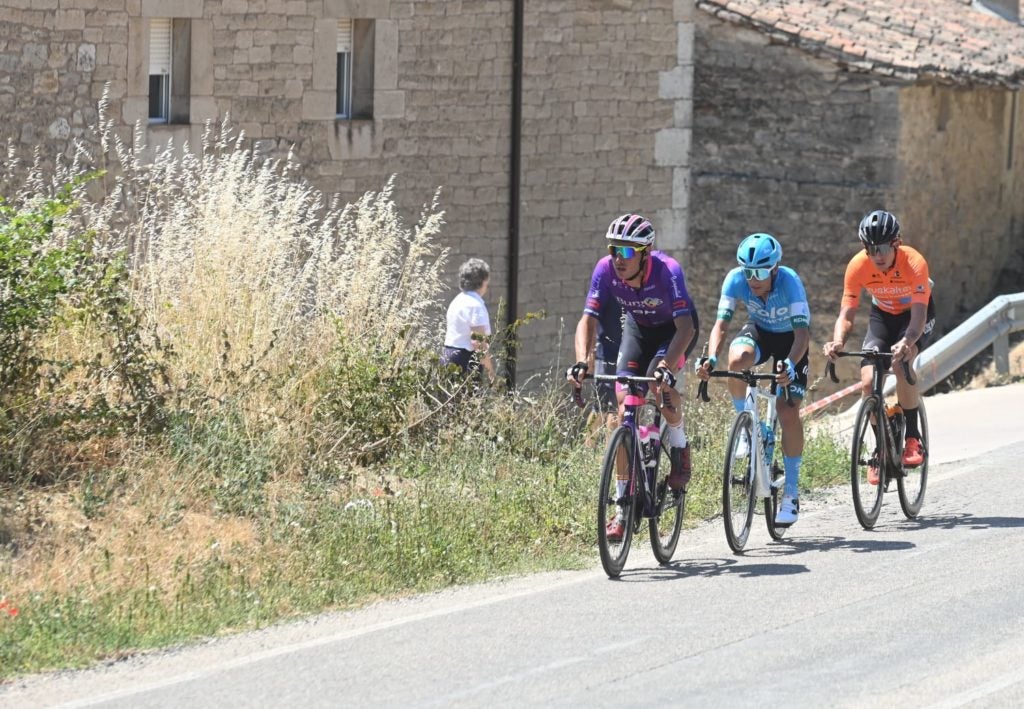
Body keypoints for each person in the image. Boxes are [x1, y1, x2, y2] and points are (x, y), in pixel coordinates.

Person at [567, 213, 700, 541]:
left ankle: (680, 449)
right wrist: (582, 361)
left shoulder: (668, 271)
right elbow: (588, 319)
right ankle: (623, 508)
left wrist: (667, 366)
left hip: (674, 332)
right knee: (625, 404)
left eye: (626, 252)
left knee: (658, 382)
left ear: (645, 252)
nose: (618, 258)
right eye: (614, 250)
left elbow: (686, 327)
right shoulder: (605, 269)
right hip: (638, 329)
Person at [695, 233, 811, 526]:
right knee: (736, 361)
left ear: (774, 269)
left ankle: (792, 493)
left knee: (787, 411)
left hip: (791, 343)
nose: (752, 279)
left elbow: (802, 335)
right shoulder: (735, 280)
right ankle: (747, 427)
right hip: (760, 332)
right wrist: (710, 358)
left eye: (759, 272)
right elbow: (721, 325)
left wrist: (789, 365)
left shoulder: (790, 282)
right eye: (748, 271)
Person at [823, 209, 935, 482]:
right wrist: (838, 341)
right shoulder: (858, 266)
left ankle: (912, 435)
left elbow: (919, 316)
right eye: (871, 249)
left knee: (900, 363)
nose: (878, 255)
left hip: (914, 317)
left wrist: (908, 341)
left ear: (896, 244)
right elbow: (847, 314)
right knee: (867, 380)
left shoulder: (915, 262)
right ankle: (882, 448)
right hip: (883, 317)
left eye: (883, 247)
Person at [441, 258, 496, 384]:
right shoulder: (475, 306)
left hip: (447, 357)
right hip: (465, 361)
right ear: (483, 281)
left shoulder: (457, 301)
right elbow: (479, 343)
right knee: (466, 403)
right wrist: (490, 370)